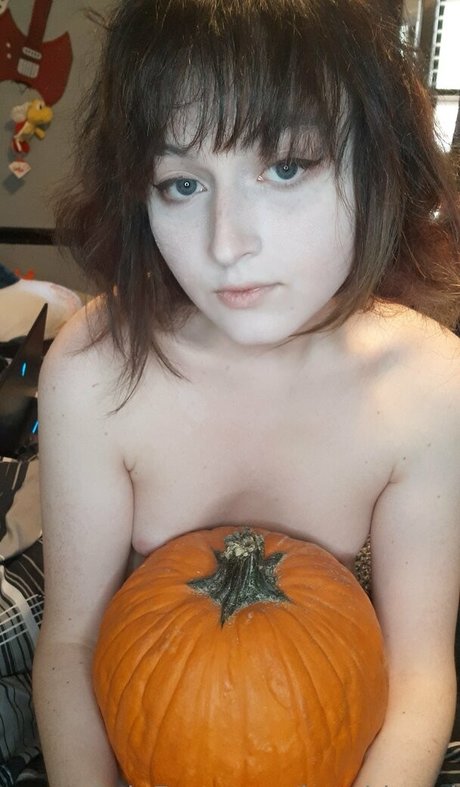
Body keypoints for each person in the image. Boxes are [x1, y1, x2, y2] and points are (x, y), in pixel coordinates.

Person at [32, 0, 460, 785]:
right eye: (181, 183)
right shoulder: (94, 369)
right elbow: (70, 646)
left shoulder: (428, 384)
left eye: (285, 167)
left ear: (377, 162)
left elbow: (419, 674)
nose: (227, 242)